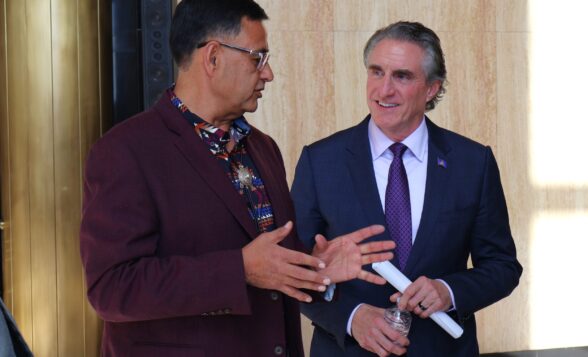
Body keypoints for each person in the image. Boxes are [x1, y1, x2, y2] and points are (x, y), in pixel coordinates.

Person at [79, 1, 395, 356]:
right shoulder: (126, 151)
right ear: (213, 57)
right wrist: (239, 270)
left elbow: (269, 266)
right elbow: (112, 289)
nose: (268, 73)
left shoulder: (262, 148)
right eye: (256, 58)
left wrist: (313, 267)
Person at [291, 21, 523, 356]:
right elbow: (293, 270)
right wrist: (351, 317)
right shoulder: (320, 161)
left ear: (431, 88)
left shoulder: (473, 162)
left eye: (402, 76)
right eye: (376, 72)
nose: (384, 90)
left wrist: (449, 290)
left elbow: (503, 267)